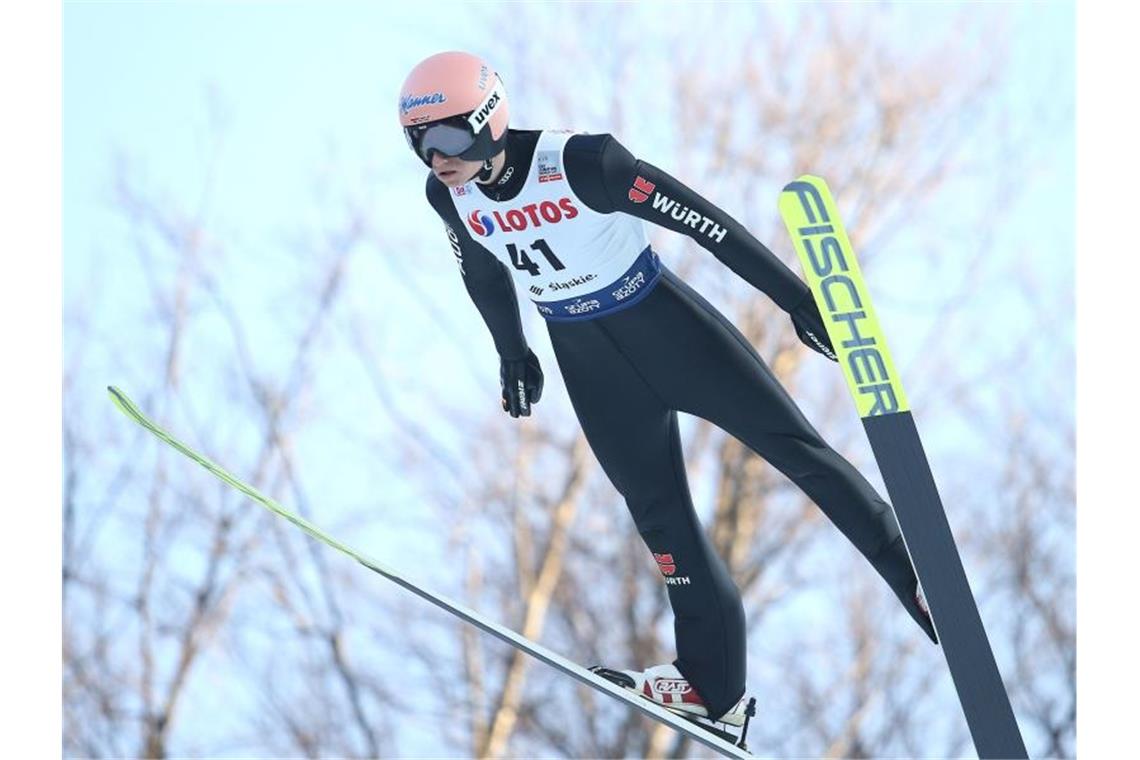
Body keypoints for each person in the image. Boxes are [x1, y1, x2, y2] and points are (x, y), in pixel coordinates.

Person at [399, 51, 936, 727]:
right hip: (588, 361)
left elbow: (703, 223)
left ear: (489, 120)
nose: (435, 157)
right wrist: (512, 351)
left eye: (448, 136)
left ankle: (916, 576)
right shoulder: (448, 194)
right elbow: (480, 270)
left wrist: (794, 298)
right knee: (659, 518)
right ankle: (714, 687)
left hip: (666, 329)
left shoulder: (584, 164)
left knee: (793, 448)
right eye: (419, 143)